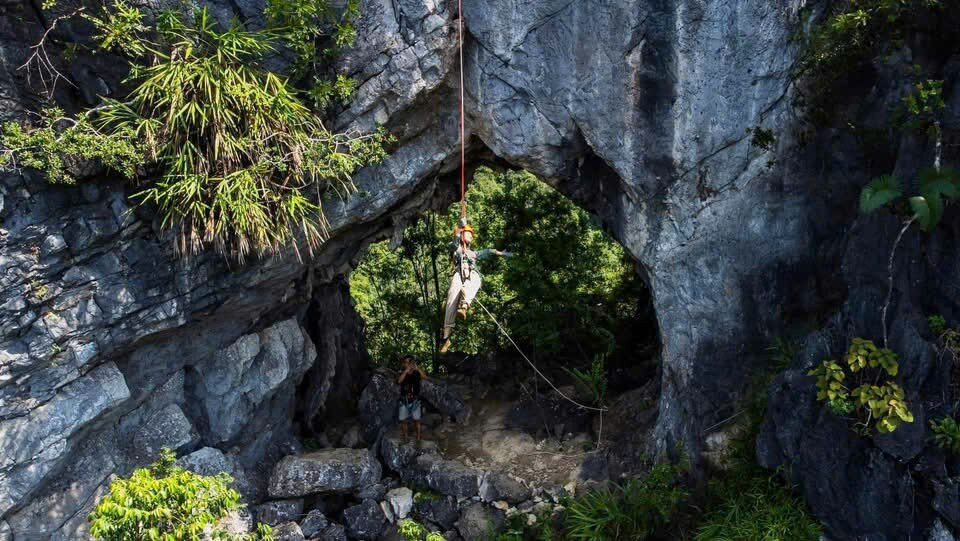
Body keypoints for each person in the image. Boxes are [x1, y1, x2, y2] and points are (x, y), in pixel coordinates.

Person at [439, 218, 512, 354]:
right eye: (469, 234)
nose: (471, 236)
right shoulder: (457, 248)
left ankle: (464, 305)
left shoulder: (474, 253)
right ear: (462, 234)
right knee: (451, 300)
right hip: (458, 274)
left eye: (471, 235)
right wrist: (459, 230)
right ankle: (446, 336)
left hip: (471, 274)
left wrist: (502, 253)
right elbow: (453, 245)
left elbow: (488, 251)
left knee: (475, 281)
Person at [397, 355, 429, 441]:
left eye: (409, 362)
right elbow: (399, 381)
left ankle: (418, 437)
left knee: (417, 420)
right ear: (404, 364)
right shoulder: (402, 372)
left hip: (415, 400)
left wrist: (417, 368)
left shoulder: (416, 372)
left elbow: (426, 377)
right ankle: (406, 437)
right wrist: (406, 371)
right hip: (404, 400)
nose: (408, 364)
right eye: (406, 362)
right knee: (404, 420)